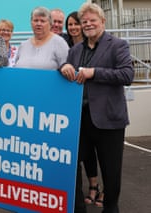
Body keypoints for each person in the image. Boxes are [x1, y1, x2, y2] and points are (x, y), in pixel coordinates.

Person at [59, 3, 134, 213]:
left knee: (111, 172)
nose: (88, 24)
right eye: (85, 22)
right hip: (80, 119)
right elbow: (67, 71)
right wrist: (63, 66)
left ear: (103, 22)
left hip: (108, 119)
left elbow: (127, 75)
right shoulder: (75, 50)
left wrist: (95, 72)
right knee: (71, 166)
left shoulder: (118, 44)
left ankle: (111, 208)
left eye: (93, 20)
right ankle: (78, 207)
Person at [66, 11, 104, 207]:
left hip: (98, 109)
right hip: (76, 110)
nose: (73, 27)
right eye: (70, 24)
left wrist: (92, 73)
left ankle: (96, 187)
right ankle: (84, 193)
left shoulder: (102, 45)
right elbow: (63, 67)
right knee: (80, 154)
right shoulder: (70, 47)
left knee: (100, 155)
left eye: (76, 24)